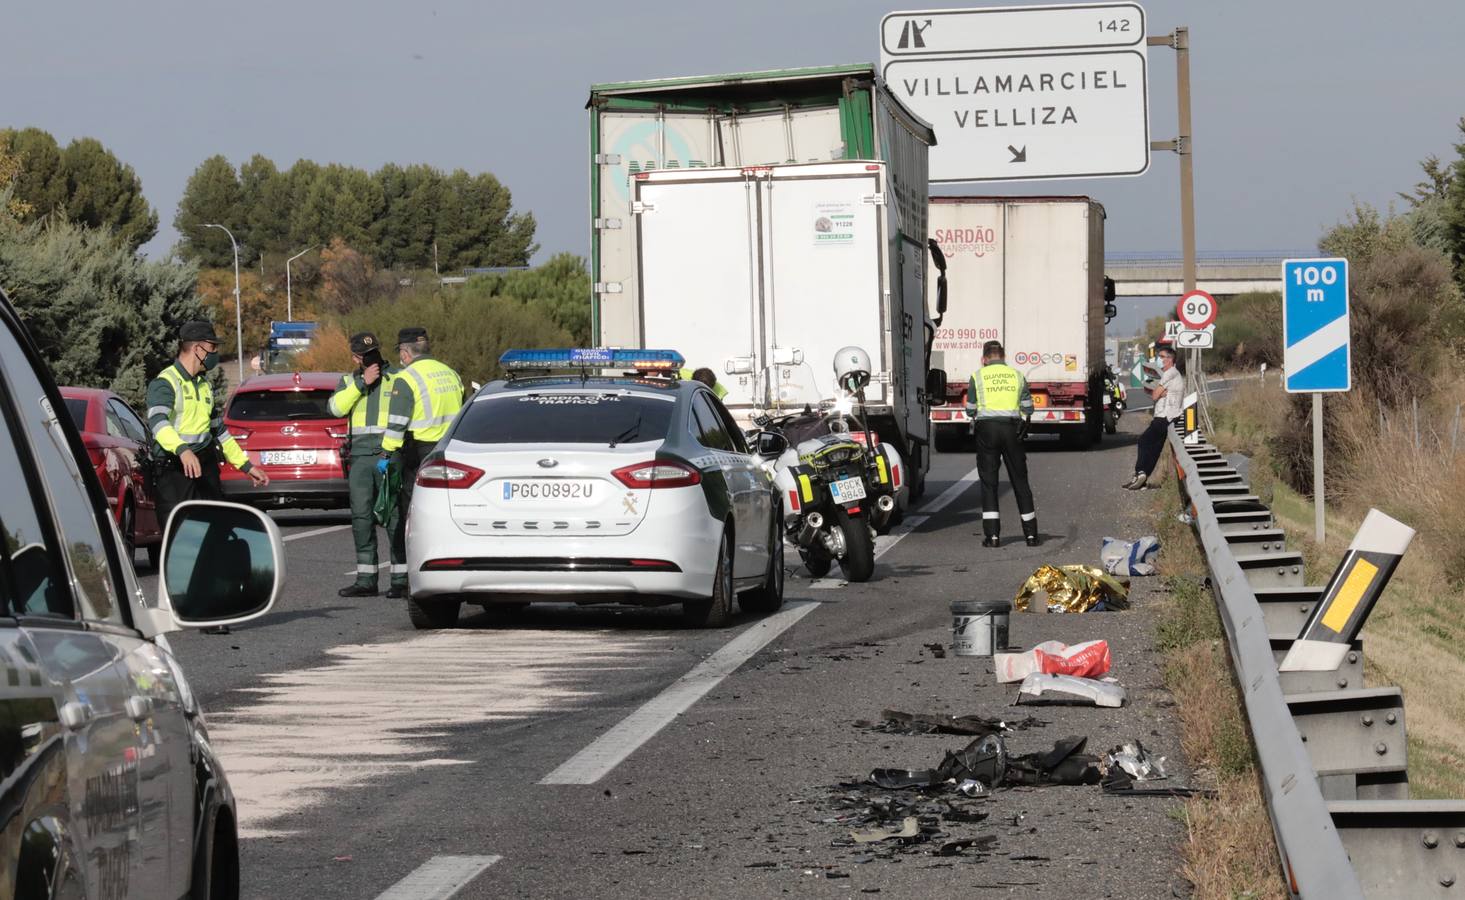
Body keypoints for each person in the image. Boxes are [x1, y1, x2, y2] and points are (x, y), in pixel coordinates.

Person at [146, 320, 269, 530]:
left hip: (204, 467)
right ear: (197, 348)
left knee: (214, 531)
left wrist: (246, 466)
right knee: (180, 537)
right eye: (212, 348)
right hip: (174, 469)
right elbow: (158, 423)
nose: (215, 353)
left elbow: (220, 432)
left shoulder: (204, 385)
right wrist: (183, 450)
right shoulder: (166, 382)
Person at [380, 327, 465, 598]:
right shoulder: (450, 373)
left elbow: (396, 425)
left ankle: (410, 579)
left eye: (401, 354)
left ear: (405, 353)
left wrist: (386, 454)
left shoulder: (407, 378)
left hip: (419, 454)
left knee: (411, 516)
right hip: (452, 451)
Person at [329, 332, 402, 598]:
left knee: (394, 515)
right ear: (355, 358)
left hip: (389, 453)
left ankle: (401, 579)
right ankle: (366, 579)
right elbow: (335, 409)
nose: (370, 359)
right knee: (361, 517)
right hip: (360, 456)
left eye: (373, 353)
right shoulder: (349, 381)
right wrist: (362, 384)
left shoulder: (396, 377)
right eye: (363, 355)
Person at [966, 341, 1039, 548]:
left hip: (986, 431)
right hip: (1012, 430)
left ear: (984, 359)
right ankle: (1031, 536)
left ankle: (993, 537)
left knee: (989, 483)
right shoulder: (1017, 375)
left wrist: (977, 413)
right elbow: (1028, 407)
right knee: (1020, 481)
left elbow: (970, 409)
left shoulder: (977, 376)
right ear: (1004, 357)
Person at [1124, 345, 1185, 490]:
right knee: (1155, 448)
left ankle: (1140, 473)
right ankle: (1142, 478)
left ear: (1170, 359)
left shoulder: (1169, 374)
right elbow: (1158, 393)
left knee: (1144, 441)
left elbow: (1155, 395)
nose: (1159, 359)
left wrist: (1161, 392)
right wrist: (1162, 392)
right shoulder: (1172, 374)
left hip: (1164, 417)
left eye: (1162, 356)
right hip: (1167, 417)